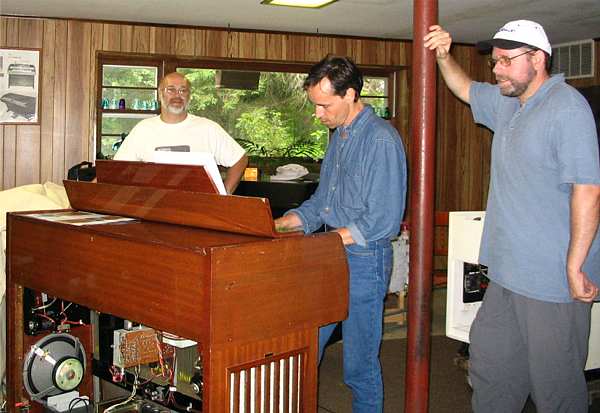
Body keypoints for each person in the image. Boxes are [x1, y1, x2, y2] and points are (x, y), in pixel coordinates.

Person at [425, 20, 600, 412]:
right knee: (492, 371)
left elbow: (587, 190)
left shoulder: (567, 108)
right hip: (507, 273)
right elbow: (465, 88)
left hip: (550, 280)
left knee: (555, 388)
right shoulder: (508, 102)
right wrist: (443, 56)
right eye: (495, 61)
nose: (497, 69)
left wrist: (574, 266)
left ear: (538, 59)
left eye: (506, 60)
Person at [274, 55, 407, 412]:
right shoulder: (339, 137)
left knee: (359, 365)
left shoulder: (381, 141)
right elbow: (321, 205)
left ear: (350, 94)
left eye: (324, 105)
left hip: (365, 261)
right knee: (303, 350)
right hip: (330, 255)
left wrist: (324, 242)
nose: (318, 114)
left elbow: (382, 222)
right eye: (315, 105)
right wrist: (278, 224)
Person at [113, 72, 248, 194]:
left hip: (198, 212)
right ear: (160, 94)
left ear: (189, 96)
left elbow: (240, 159)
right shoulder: (143, 130)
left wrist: (224, 194)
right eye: (171, 90)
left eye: (183, 90)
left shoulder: (208, 128)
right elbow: (116, 171)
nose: (177, 95)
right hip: (152, 209)